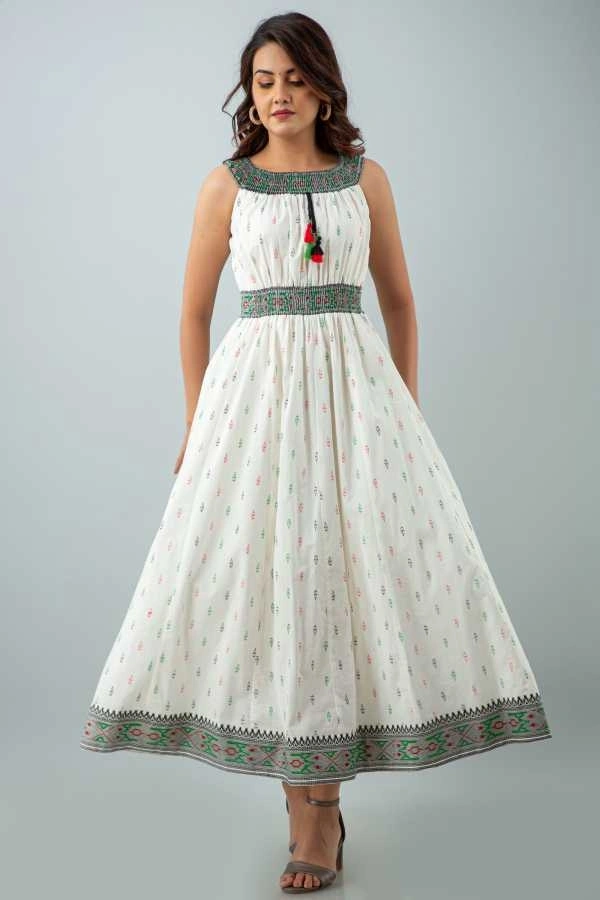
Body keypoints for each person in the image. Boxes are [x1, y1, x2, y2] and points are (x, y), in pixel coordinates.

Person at [80, 11, 552, 894]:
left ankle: (322, 806)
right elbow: (192, 313)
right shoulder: (225, 187)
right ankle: (305, 804)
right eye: (264, 81)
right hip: (253, 406)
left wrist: (405, 413)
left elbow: (400, 302)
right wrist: (196, 423)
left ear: (326, 87)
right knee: (276, 580)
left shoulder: (365, 180)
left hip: (356, 402)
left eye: (295, 79)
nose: (280, 95)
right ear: (248, 94)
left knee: (343, 578)